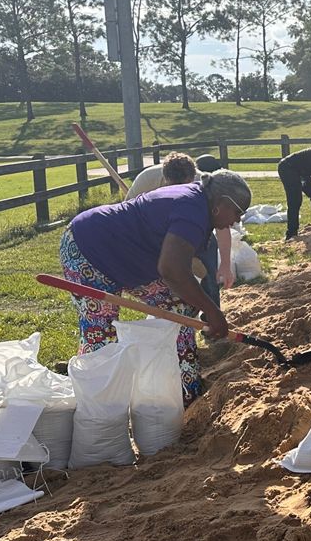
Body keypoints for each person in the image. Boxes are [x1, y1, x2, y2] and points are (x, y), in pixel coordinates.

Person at [59, 170, 251, 405]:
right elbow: (172, 270)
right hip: (89, 249)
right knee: (101, 334)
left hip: (131, 260)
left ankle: (186, 390)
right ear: (220, 204)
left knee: (180, 308)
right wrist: (212, 311)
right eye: (238, 212)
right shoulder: (191, 210)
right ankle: (98, 409)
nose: (237, 221)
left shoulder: (199, 206)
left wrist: (204, 305)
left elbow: (177, 269)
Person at [128, 153, 233, 305]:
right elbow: (129, 215)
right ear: (165, 179)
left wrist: (225, 265)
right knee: (166, 270)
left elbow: (222, 226)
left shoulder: (206, 184)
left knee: (209, 251)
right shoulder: (146, 180)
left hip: (195, 228)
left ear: (192, 178)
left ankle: (212, 310)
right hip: (154, 228)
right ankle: (168, 307)